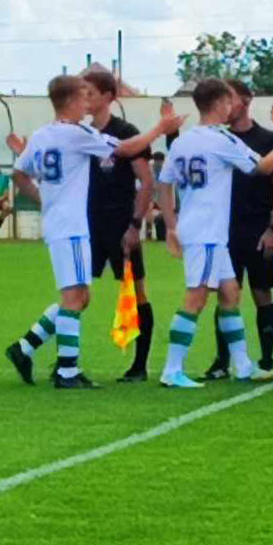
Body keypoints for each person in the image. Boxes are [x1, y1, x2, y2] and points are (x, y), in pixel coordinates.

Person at [2, 75, 179, 388]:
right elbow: (125, 149)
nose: (87, 102)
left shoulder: (42, 135)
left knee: (80, 296)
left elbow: (18, 173)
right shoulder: (77, 133)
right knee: (74, 298)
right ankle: (67, 371)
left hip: (61, 224)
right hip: (71, 226)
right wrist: (159, 129)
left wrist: (44, 199)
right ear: (71, 100)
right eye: (84, 95)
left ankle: (25, 348)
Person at [152, 79, 273, 388]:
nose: (232, 106)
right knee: (195, 299)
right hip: (206, 232)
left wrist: (172, 225)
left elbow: (164, 184)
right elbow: (264, 167)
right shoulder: (221, 139)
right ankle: (172, 369)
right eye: (229, 101)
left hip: (205, 231)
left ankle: (243, 366)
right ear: (219, 104)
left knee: (230, 293)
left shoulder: (183, 141)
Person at [200, 80, 273, 379]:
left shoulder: (268, 140)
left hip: (257, 228)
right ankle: (222, 362)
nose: (227, 105)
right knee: (225, 294)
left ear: (246, 101)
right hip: (224, 229)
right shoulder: (218, 139)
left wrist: (272, 229)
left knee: (262, 292)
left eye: (231, 98)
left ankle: (266, 361)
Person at [76, 72, 166, 383]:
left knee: (136, 291)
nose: (85, 99)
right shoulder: (83, 134)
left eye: (90, 93)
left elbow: (147, 183)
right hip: (89, 223)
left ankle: (139, 365)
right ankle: (64, 359)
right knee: (75, 290)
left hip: (120, 223)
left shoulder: (126, 133)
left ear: (108, 97)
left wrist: (134, 225)